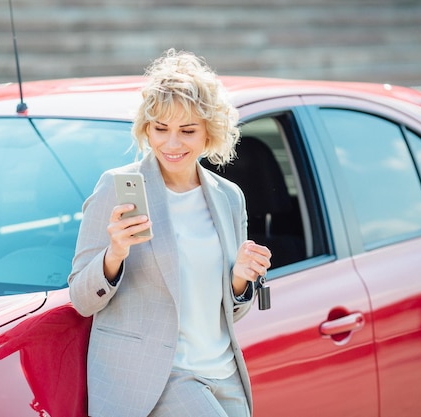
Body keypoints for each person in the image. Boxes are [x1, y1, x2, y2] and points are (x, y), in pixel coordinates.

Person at [68, 48, 272, 417]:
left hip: (224, 373)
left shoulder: (229, 198)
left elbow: (230, 313)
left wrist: (240, 280)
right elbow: (82, 298)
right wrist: (114, 254)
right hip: (158, 379)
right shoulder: (117, 188)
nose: (172, 143)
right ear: (147, 127)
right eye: (160, 129)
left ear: (209, 132)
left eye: (187, 131)